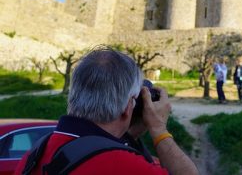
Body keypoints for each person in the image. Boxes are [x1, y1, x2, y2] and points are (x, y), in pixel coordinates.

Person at [15, 47, 198, 175]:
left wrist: (129, 134)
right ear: (128, 107)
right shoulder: (122, 165)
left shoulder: (35, 154)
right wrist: (158, 129)